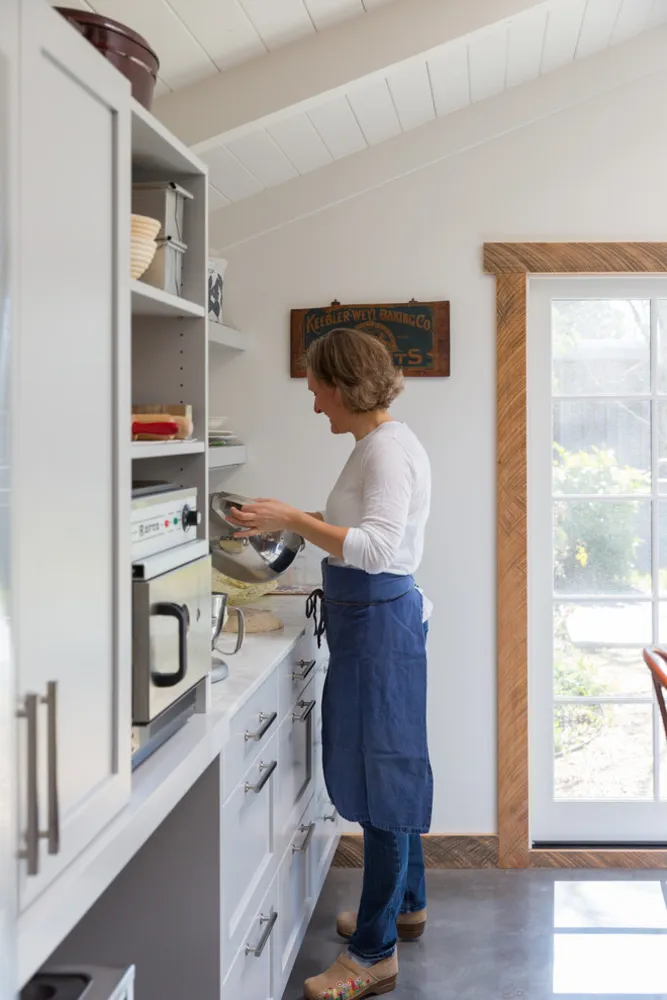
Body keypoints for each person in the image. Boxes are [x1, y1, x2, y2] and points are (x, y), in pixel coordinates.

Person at [228, 327, 432, 1000]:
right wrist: (288, 521)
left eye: (316, 386)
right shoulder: (374, 448)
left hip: (377, 623)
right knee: (388, 768)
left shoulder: (386, 453)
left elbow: (373, 547)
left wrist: (293, 514)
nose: (313, 401)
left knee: (383, 784)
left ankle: (373, 952)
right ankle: (402, 905)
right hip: (367, 622)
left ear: (343, 386)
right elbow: (357, 524)